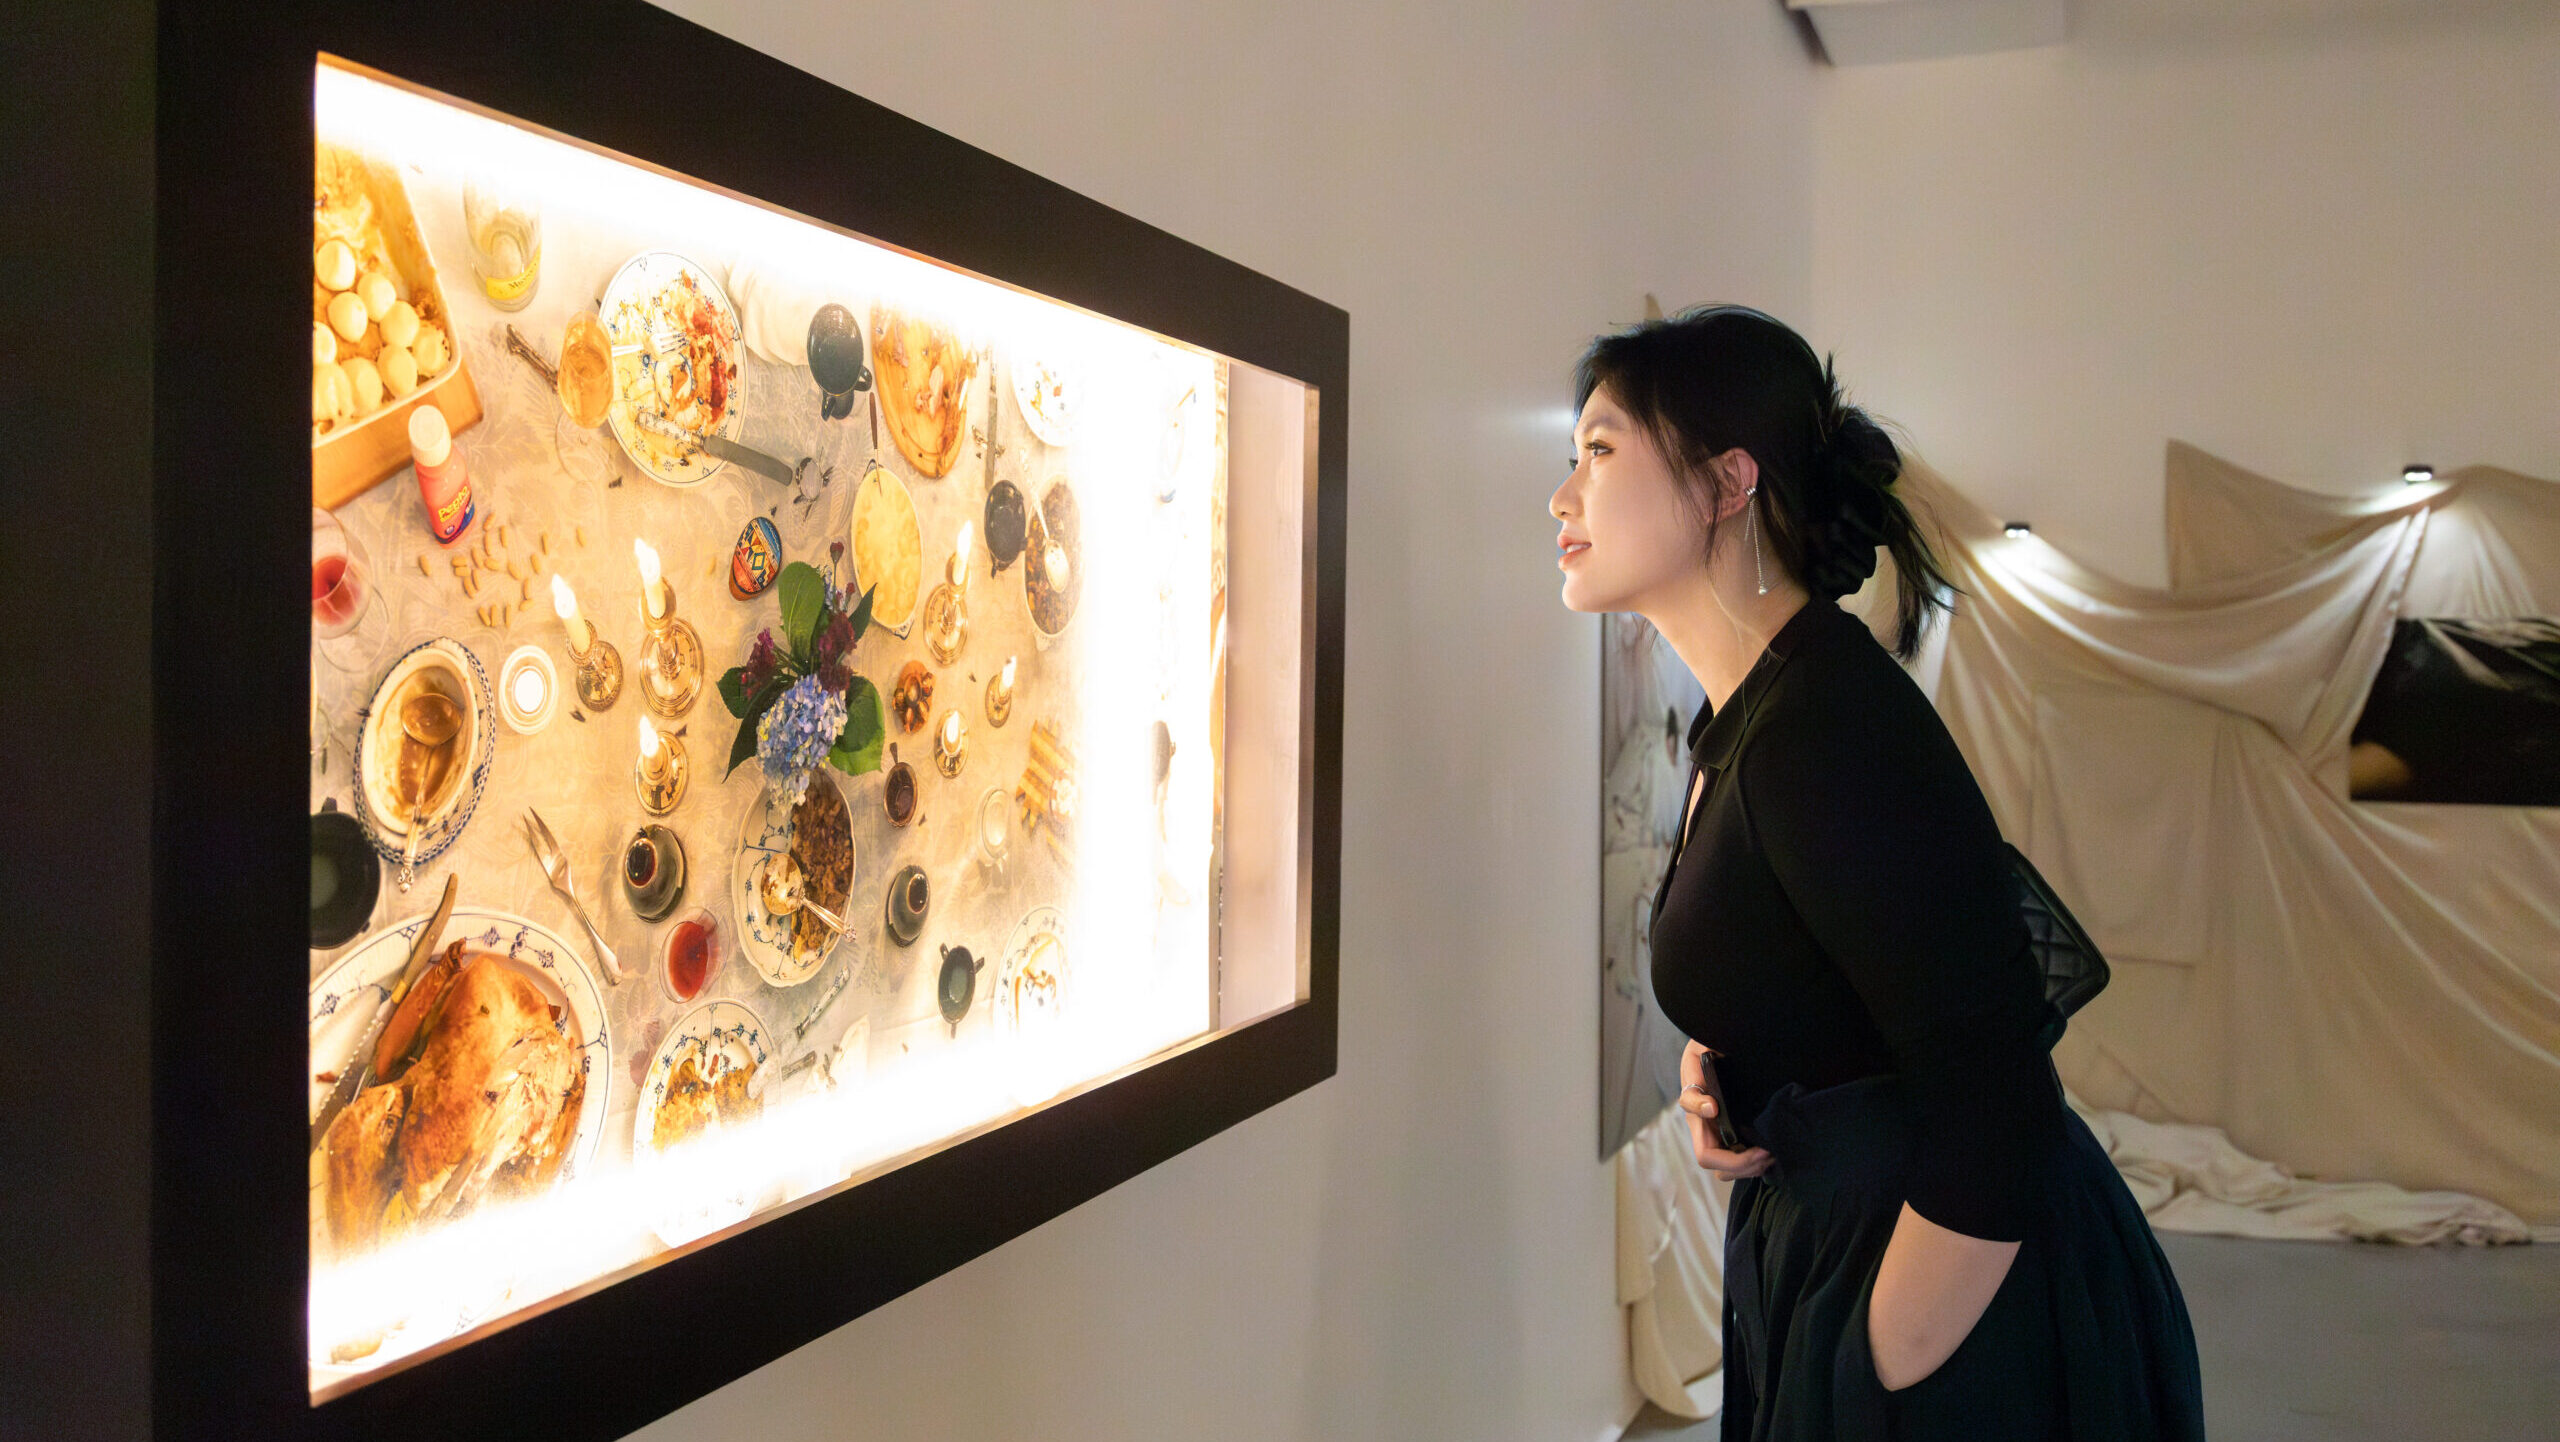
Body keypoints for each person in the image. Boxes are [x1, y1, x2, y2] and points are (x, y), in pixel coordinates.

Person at [1550, 305, 2206, 1440]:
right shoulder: (1753, 714)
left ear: (1724, 483)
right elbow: (1816, 959)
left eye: (1599, 452)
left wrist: (1874, 1371)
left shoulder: (1823, 729)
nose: (1564, 497)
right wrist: (1729, 1067)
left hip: (1948, 1301)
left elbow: (1995, 1097)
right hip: (1839, 1251)